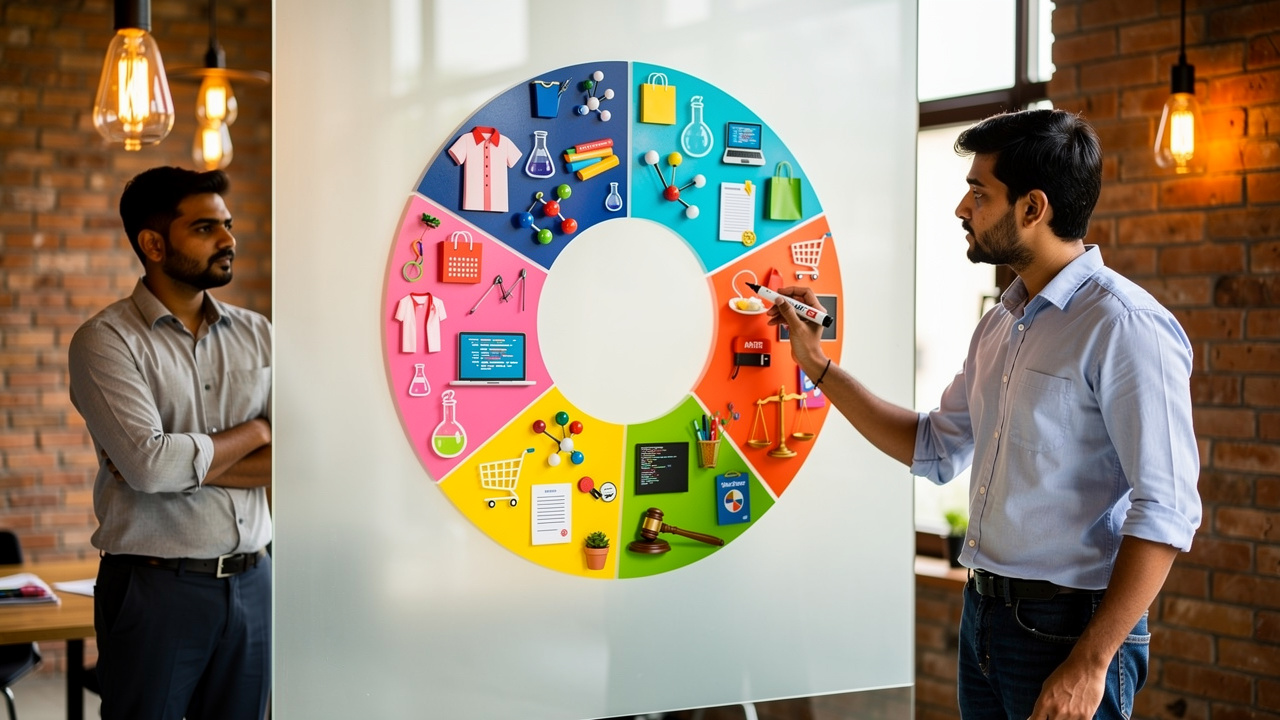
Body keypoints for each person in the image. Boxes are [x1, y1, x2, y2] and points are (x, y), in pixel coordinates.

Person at [771, 109, 1200, 720]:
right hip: (985, 618)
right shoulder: (1000, 324)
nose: (961, 209)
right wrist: (816, 366)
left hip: (1067, 628)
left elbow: (1168, 509)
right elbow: (931, 446)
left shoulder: (1124, 326)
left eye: (978, 192)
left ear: (1033, 208)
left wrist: (1091, 662)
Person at [68, 167, 272, 720]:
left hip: (256, 582)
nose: (229, 240)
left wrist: (172, 459)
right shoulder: (104, 342)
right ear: (153, 244)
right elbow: (150, 469)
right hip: (154, 589)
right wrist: (255, 433)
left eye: (227, 225)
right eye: (205, 228)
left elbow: (305, 457)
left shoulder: (260, 333)